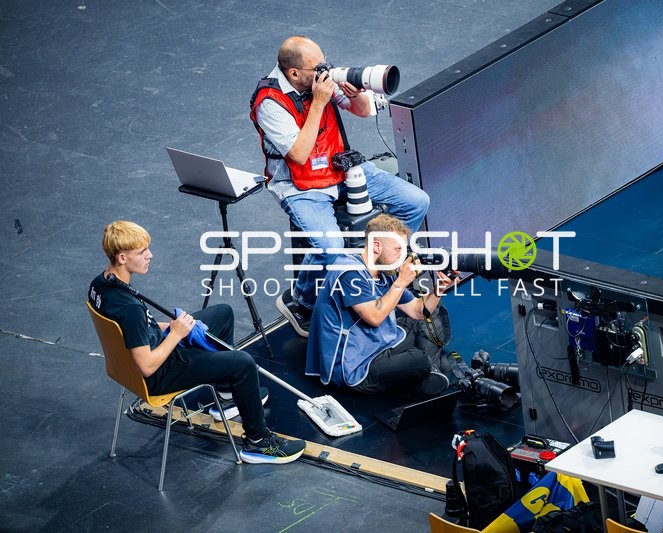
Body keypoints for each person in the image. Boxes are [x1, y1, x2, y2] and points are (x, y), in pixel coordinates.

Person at [249, 35, 430, 337]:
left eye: (324, 62)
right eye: (315, 67)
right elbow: (298, 154)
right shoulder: (269, 102)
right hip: (300, 186)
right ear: (294, 74)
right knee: (331, 246)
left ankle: (386, 266)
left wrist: (356, 93)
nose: (323, 70)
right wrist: (319, 102)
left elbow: (361, 110)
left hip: (342, 168)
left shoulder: (318, 80)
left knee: (416, 201)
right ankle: (301, 300)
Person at [88, 221, 305, 464]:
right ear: (122, 257)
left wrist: (172, 326)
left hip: (144, 354)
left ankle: (226, 393)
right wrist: (176, 334)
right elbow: (147, 366)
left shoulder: (101, 285)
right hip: (160, 373)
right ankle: (258, 442)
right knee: (242, 363)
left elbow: (134, 330)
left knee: (222, 314)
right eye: (142, 252)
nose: (150, 255)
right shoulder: (129, 308)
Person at [305, 214, 455, 395]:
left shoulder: (384, 270)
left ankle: (423, 372)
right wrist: (400, 282)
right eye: (397, 249)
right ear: (377, 246)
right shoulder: (349, 273)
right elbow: (374, 318)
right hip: (356, 365)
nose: (403, 256)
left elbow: (417, 311)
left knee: (433, 312)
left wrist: (439, 288)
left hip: (377, 343)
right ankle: (424, 368)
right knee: (419, 360)